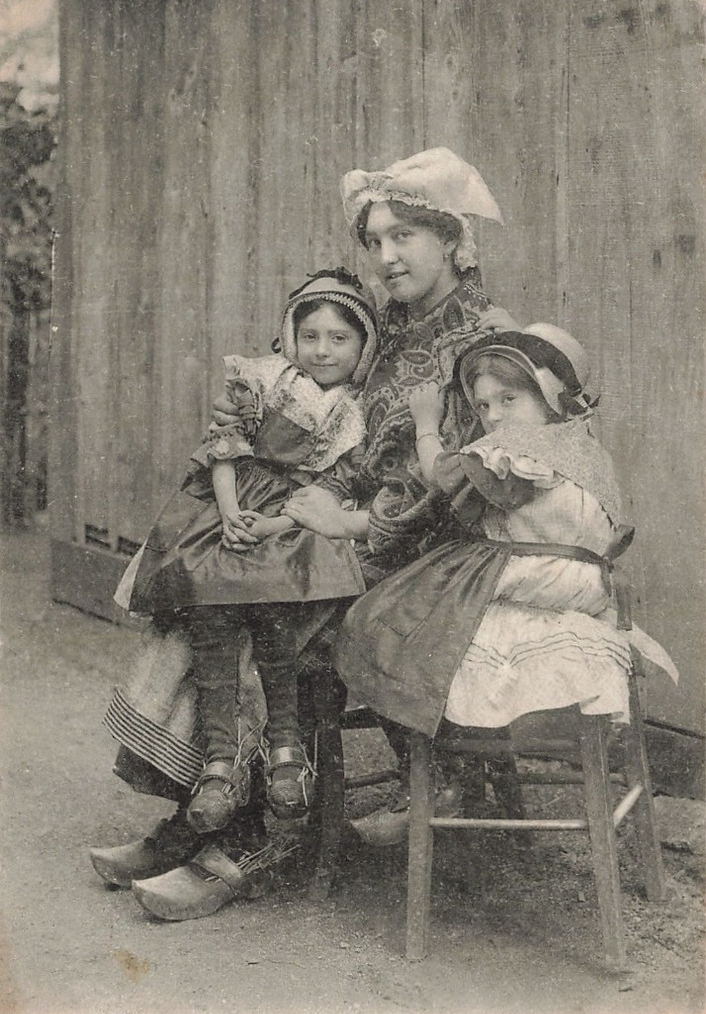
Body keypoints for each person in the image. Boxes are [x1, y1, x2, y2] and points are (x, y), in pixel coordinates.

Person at [93, 147, 509, 917]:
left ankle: (257, 832)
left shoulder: (486, 341)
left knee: (270, 620)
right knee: (213, 583)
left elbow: (473, 479)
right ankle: (198, 809)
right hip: (326, 522)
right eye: (375, 241)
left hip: (425, 553)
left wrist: (353, 521)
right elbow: (310, 392)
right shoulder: (385, 326)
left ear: (452, 239)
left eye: (404, 238)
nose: (385, 257)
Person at [333, 325, 678, 745]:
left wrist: (427, 425)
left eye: (508, 399)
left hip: (538, 577)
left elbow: (441, 477)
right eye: (482, 405)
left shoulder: (520, 449)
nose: (493, 416)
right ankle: (471, 758)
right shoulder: (582, 446)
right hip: (587, 581)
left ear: (550, 396)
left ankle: (452, 750)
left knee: (401, 618)